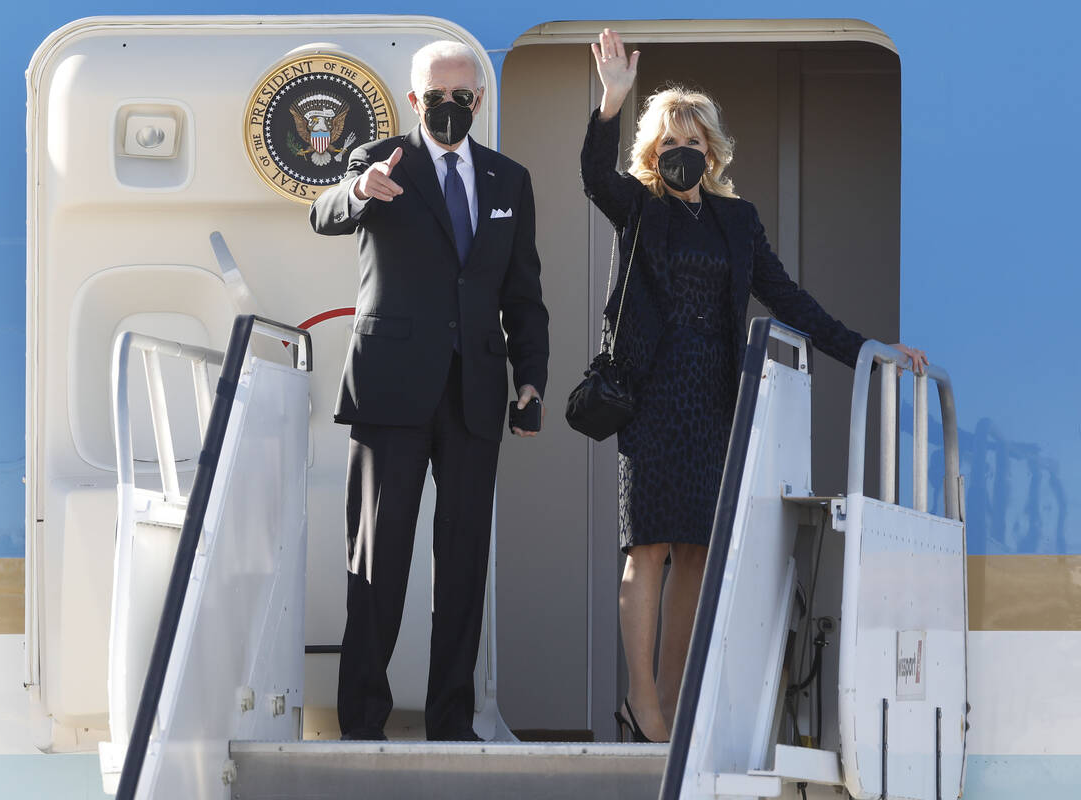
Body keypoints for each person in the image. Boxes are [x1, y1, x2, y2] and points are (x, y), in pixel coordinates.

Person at [583, 29, 928, 743]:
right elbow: (594, 174)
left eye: (695, 141)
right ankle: (639, 703)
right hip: (648, 399)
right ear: (654, 152)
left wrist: (867, 349)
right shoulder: (638, 209)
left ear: (712, 150)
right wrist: (611, 102)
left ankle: (676, 704)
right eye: (670, 142)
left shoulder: (737, 221)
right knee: (647, 547)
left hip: (712, 401)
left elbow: (789, 299)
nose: (683, 153)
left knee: (700, 551)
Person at [309, 40, 549, 742]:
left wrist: (529, 377)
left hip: (473, 393)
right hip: (392, 391)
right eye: (437, 98)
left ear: (480, 101)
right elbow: (324, 214)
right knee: (378, 559)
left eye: (463, 98)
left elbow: (523, 294)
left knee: (465, 561)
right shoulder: (381, 161)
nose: (451, 109)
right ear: (415, 100)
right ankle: (362, 721)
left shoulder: (509, 180)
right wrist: (358, 191)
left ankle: (451, 720)